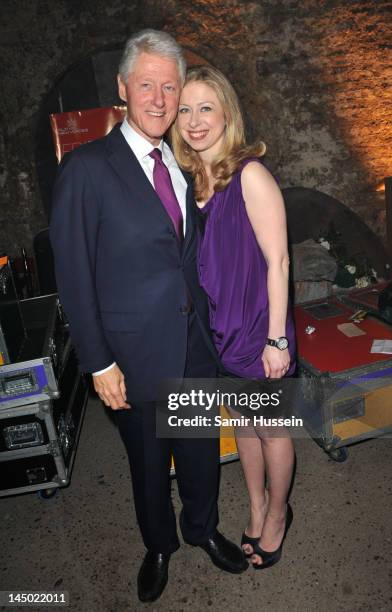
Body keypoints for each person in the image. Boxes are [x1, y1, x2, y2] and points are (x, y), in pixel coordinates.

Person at [50, 31, 247, 604]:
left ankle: (203, 530)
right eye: (146, 85)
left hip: (192, 345)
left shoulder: (190, 161)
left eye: (170, 86)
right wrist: (98, 361)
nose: (160, 99)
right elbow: (74, 275)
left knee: (198, 451)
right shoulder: (87, 169)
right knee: (147, 464)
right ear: (122, 89)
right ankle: (159, 544)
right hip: (130, 356)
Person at [171, 65, 297, 570]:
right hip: (217, 331)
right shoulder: (192, 181)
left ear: (227, 113)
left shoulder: (250, 174)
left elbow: (279, 262)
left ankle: (280, 513)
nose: (194, 120)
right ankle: (256, 505)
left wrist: (277, 342)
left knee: (272, 429)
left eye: (206, 107)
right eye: (185, 109)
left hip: (256, 331)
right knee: (244, 427)